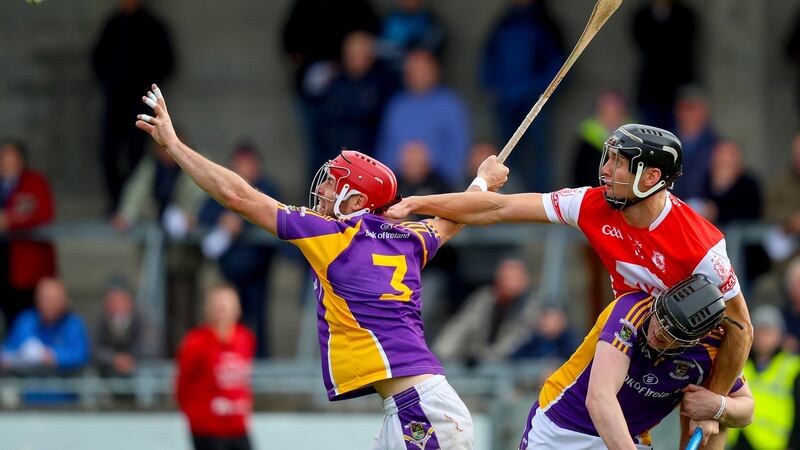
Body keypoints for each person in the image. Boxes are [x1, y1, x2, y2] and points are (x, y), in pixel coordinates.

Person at [135, 83, 509, 449]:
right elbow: (454, 219)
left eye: (333, 183)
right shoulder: (409, 238)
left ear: (357, 200)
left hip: (421, 412)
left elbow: (238, 196)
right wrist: (483, 181)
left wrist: (175, 147)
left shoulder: (333, 235)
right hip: (416, 407)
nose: (324, 190)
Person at [387, 123, 754, 450]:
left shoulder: (701, 247)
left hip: (678, 341)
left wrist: (717, 402)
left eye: (618, 162)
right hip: (626, 335)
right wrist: (417, 202)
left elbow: (740, 328)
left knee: (706, 407)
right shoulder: (592, 204)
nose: (606, 171)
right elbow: (497, 208)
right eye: (607, 158)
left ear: (651, 176)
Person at [514, 275, 754, 449]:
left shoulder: (710, 350)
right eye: (661, 319)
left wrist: (718, 406)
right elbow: (599, 399)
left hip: (629, 439)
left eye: (673, 334)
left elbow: (747, 409)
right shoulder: (632, 309)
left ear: (695, 340)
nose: (659, 331)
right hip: (561, 426)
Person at [92, 0, 174, 212]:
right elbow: (97, 58)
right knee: (107, 153)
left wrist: (148, 83)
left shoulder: (153, 25)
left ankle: (132, 207)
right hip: (115, 102)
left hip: (142, 102)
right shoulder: (113, 24)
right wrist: (110, 82)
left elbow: (168, 61)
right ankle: (118, 203)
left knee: (135, 156)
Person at [198, 143, 278, 358]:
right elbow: (204, 215)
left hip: (258, 269)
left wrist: (245, 223)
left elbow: (277, 218)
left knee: (258, 320)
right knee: (230, 320)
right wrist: (222, 222)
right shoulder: (224, 188)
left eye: (247, 163)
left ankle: (261, 370)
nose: (242, 168)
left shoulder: (267, 189)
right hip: (230, 271)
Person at [481, 0, 563, 192]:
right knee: (507, 156)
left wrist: (538, 91)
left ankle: (541, 202)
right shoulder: (504, 22)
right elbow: (490, 57)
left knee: (539, 154)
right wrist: (491, 86)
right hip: (506, 102)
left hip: (535, 102)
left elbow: (557, 64)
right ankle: (510, 201)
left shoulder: (545, 23)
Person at [376, 49, 471, 186]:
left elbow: (459, 148)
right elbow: (386, 148)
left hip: (439, 186)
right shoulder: (396, 106)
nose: (419, 75)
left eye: (424, 71)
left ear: (435, 72)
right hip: (400, 184)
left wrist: (431, 168)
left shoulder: (450, 104)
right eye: (414, 71)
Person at [176, 285, 255, 450]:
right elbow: (182, 384)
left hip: (238, 426)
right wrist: (197, 415)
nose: (223, 311)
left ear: (237, 309)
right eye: (218, 306)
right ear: (208, 310)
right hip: (207, 429)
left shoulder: (245, 338)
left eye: (227, 306)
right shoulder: (195, 342)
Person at [434, 258, 541, 362]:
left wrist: (487, 359)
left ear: (525, 282)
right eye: (507, 279)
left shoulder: (530, 306)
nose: (511, 285)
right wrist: (439, 355)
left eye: (516, 279)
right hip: (474, 362)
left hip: (514, 368)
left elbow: (518, 339)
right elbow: (461, 326)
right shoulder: (484, 298)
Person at [0, 139, 56, 332]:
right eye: (3, 157)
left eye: (11, 157)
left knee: (30, 317)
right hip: (3, 265)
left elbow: (44, 213)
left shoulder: (34, 181)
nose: (7, 162)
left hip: (28, 268)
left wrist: (10, 221)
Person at [726, 305, 800, 450]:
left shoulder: (793, 367)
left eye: (769, 331)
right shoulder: (740, 364)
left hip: (775, 444)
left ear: (780, 336)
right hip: (737, 442)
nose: (763, 337)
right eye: (759, 331)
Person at [631, 0, 698, 130]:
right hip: (650, 90)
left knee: (678, 132)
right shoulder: (642, 15)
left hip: (677, 87)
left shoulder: (685, 15)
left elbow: (683, 45)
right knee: (650, 134)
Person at [1, 278, 89, 373]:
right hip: (28, 381)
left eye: (54, 300)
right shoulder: (26, 320)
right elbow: (7, 350)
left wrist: (51, 356)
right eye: (45, 299)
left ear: (64, 302)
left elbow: (81, 354)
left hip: (63, 382)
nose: (49, 305)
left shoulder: (73, 324)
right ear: (37, 300)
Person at [93, 277, 159, 377]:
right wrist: (114, 358)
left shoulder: (144, 317)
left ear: (130, 301)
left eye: (121, 301)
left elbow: (152, 347)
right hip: (108, 375)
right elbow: (93, 348)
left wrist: (130, 358)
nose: (117, 307)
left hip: (139, 374)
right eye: (112, 302)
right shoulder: (100, 319)